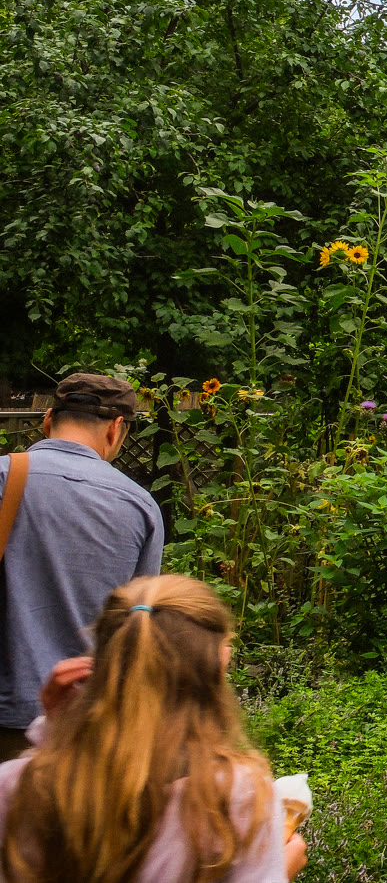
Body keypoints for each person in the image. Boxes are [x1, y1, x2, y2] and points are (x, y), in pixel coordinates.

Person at [0, 574, 306, 881]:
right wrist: (279, 871)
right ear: (217, 669)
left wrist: (57, 734)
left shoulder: (17, 787)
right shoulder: (239, 798)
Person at [0, 373, 164, 756]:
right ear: (116, 428)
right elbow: (138, 625)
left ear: (47, 419)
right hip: (81, 726)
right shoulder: (140, 506)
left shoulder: (4, 477)